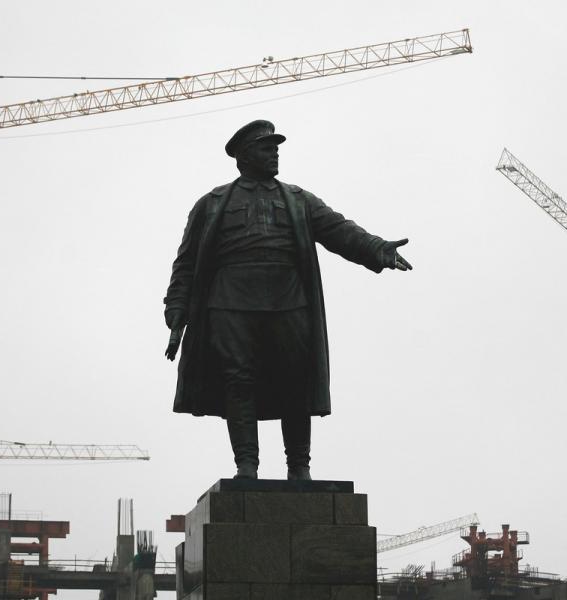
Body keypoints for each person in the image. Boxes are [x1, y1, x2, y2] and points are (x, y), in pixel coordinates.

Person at [163, 120, 412, 481]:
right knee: (238, 381)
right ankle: (246, 465)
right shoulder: (212, 203)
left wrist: (377, 249)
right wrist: (176, 313)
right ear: (244, 156)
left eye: (276, 147)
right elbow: (186, 263)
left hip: (289, 300)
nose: (275, 152)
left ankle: (299, 466)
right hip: (230, 302)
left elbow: (339, 229)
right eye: (267, 147)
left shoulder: (298, 199)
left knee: (295, 380)